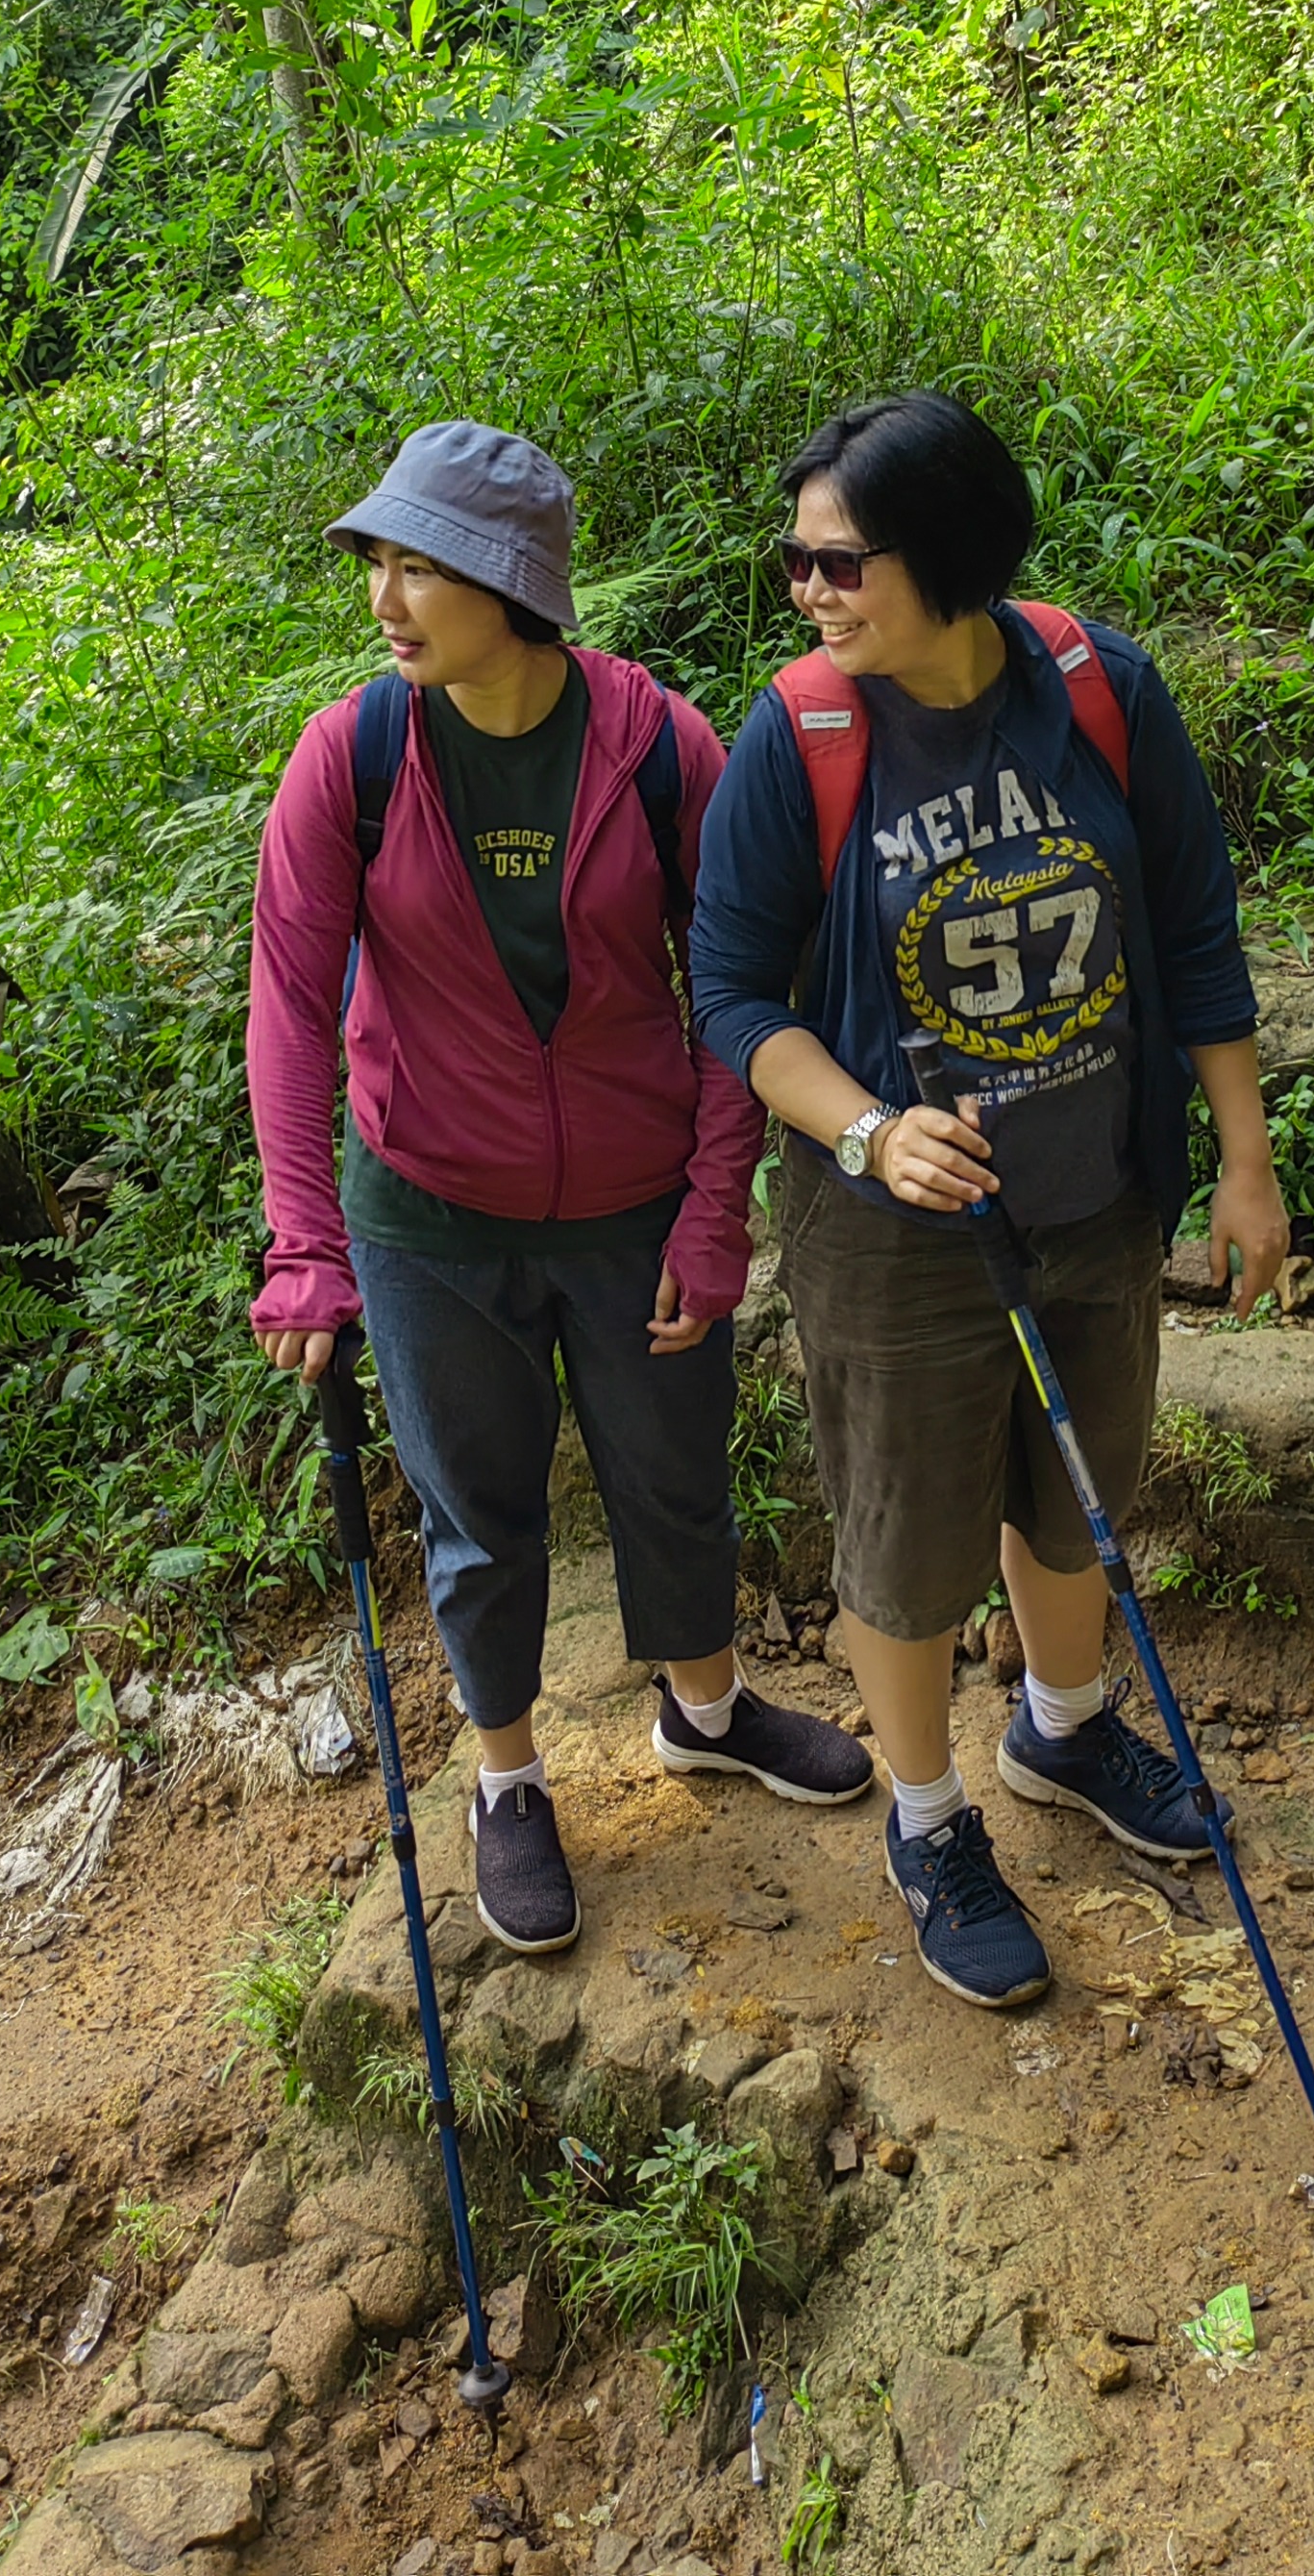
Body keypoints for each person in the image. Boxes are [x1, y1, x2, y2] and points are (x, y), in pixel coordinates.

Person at [689, 389, 1288, 2011]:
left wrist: (1241, 1158)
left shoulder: (1097, 691)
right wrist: (872, 1130)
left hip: (1098, 1192)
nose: (808, 590)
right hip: (893, 1236)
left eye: (839, 561)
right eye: (797, 560)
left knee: (1075, 1483)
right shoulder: (802, 735)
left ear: (943, 557)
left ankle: (1066, 1731)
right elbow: (734, 995)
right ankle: (931, 1817)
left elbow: (1191, 931)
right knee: (908, 1535)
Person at [247, 418, 870, 1957]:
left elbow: (736, 988)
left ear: (510, 583)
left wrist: (717, 1208)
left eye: (419, 568)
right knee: (478, 1507)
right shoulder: (357, 753)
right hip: (427, 1213)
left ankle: (706, 1709)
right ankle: (506, 1774)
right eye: (378, 565)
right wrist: (304, 1245)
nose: (386, 600)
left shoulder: (660, 747)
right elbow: (287, 1001)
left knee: (674, 1469)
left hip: (635, 1198)